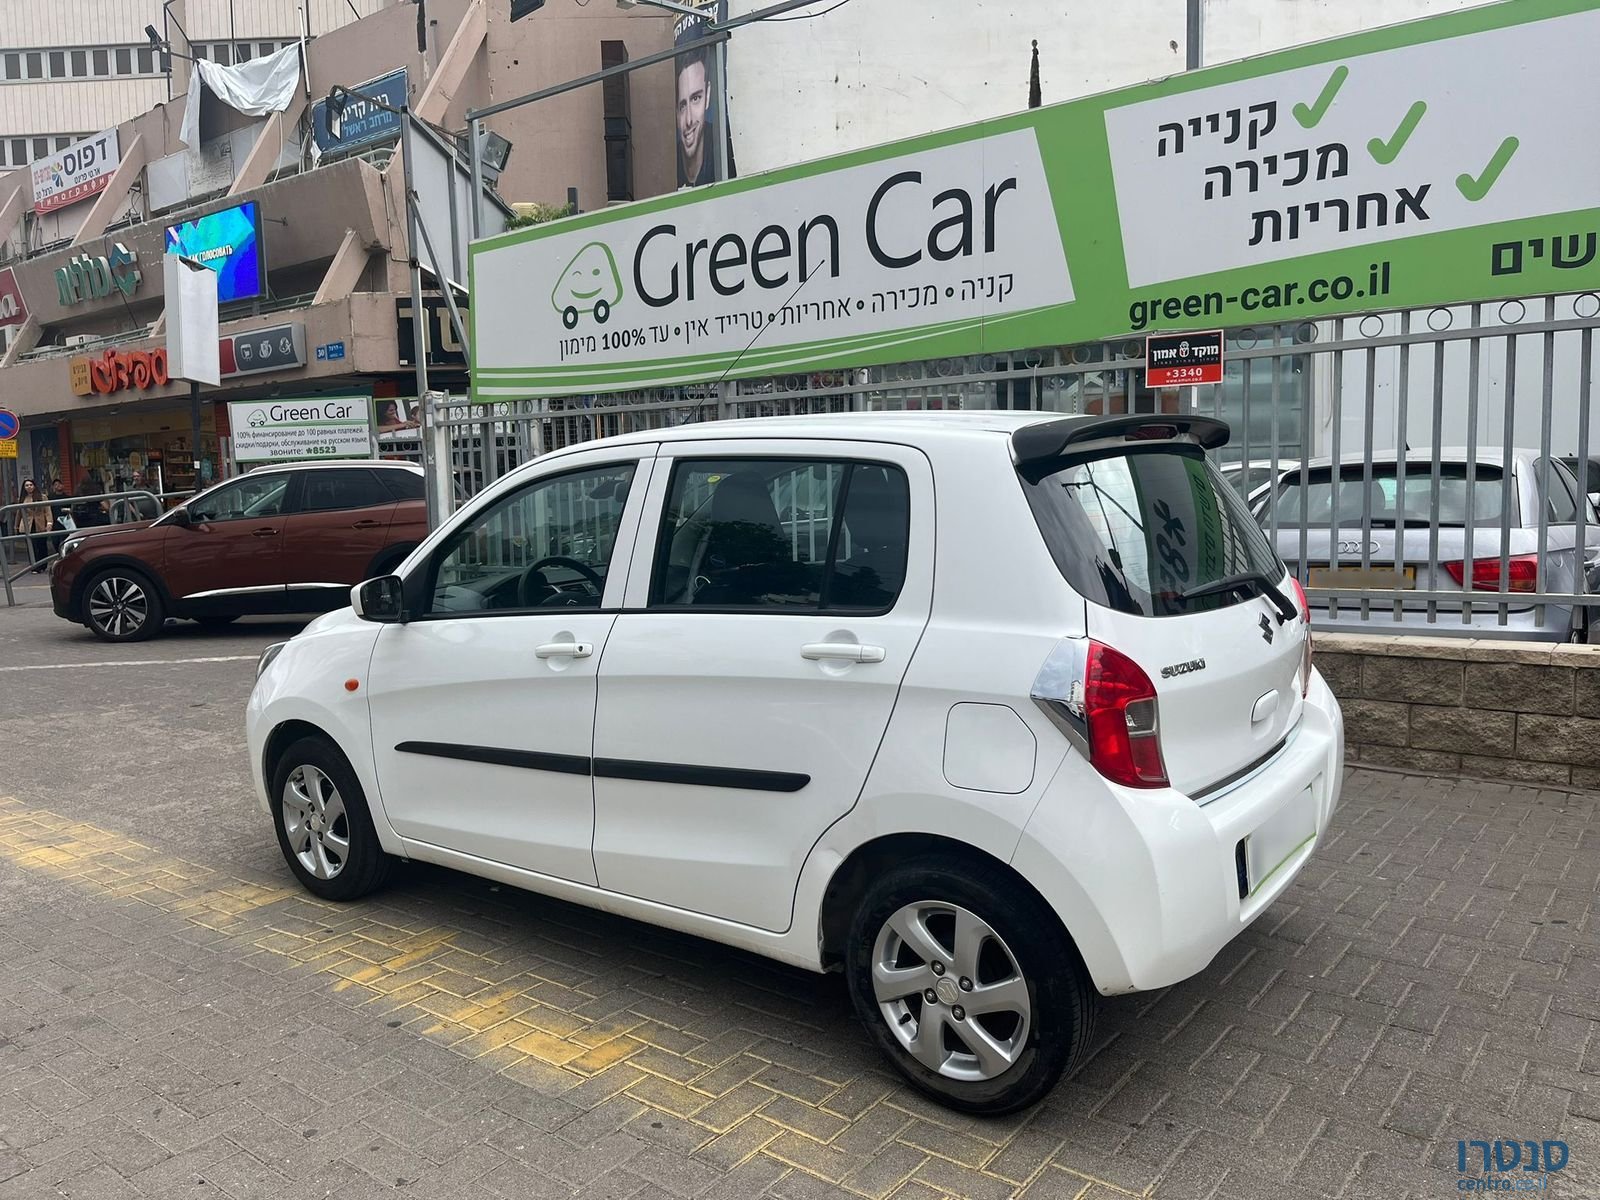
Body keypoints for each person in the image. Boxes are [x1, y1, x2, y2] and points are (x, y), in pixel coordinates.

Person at [676, 43, 715, 189]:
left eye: (696, 98)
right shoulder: (672, 160)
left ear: (708, 95)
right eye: (682, 106)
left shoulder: (724, 150)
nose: (689, 120)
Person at [13, 478, 53, 572]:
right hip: (28, 525)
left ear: (34, 486)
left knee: (42, 545)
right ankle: (34, 566)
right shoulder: (22, 499)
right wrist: (16, 526)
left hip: (40, 524)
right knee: (32, 546)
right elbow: (19, 513)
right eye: (27, 485)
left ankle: (43, 565)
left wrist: (49, 523)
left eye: (30, 485)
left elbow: (47, 511)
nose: (29, 487)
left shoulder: (42, 497)